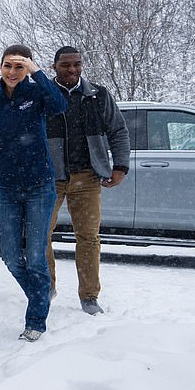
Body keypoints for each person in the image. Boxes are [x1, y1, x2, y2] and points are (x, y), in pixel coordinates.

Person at [0, 45, 67, 342]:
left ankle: (36, 319)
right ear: (0, 66)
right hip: (8, 187)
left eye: (19, 67)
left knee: (35, 257)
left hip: (39, 186)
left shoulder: (36, 94)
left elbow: (59, 105)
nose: (12, 72)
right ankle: (41, 294)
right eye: (8, 66)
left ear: (28, 69)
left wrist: (37, 73)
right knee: (10, 257)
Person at [45, 46, 130, 315]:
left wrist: (120, 166)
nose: (72, 70)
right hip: (51, 178)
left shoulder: (97, 95)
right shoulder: (43, 94)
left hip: (88, 177)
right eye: (66, 65)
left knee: (88, 238)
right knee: (40, 235)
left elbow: (118, 130)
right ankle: (45, 288)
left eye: (77, 64)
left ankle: (89, 296)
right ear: (54, 66)